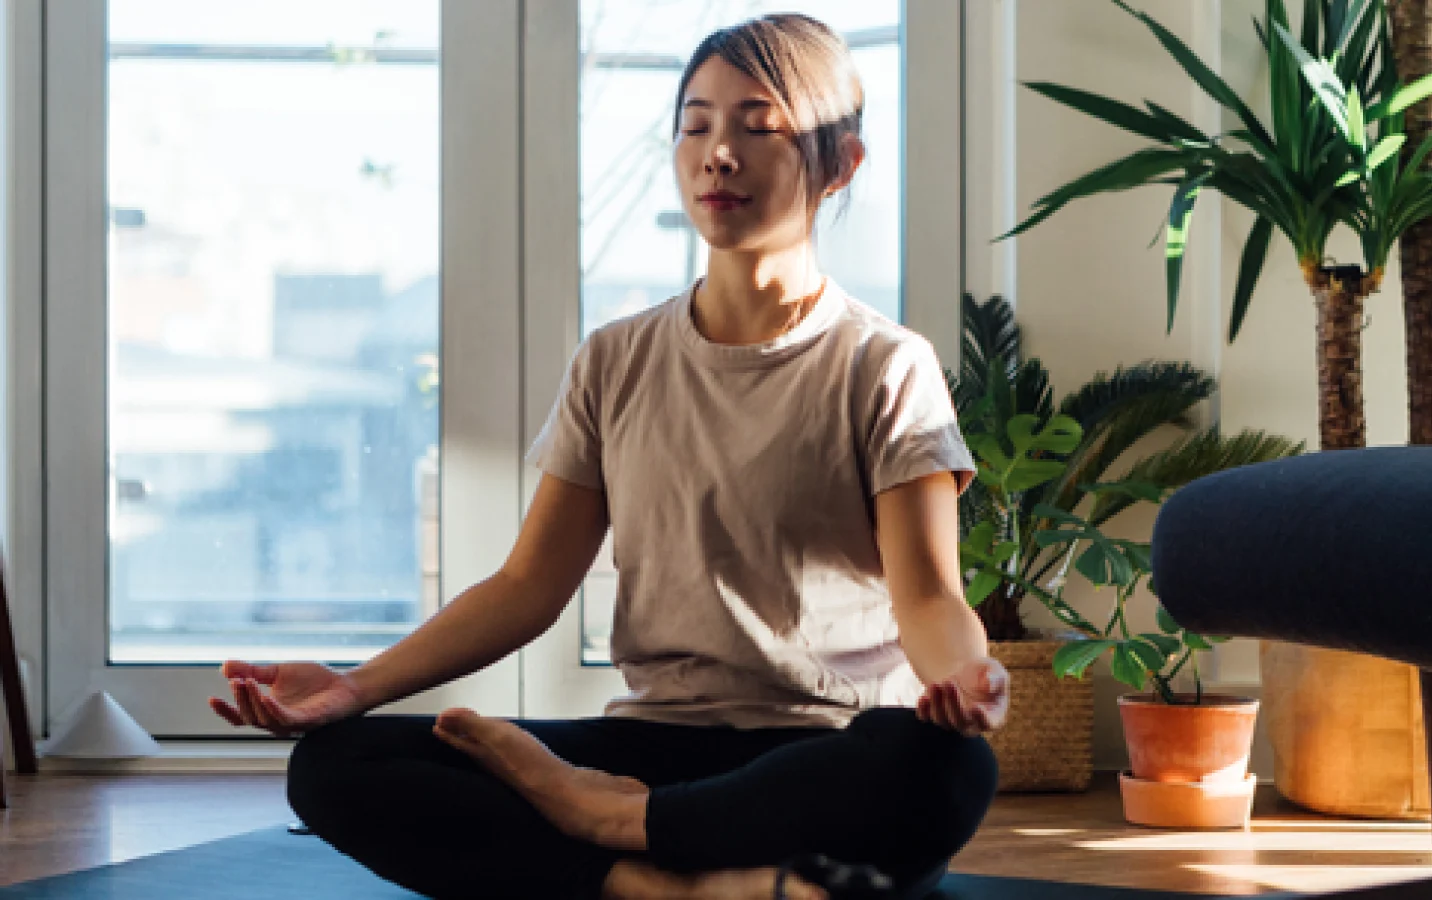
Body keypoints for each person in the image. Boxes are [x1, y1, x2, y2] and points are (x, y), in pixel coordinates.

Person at [209, 13, 1009, 900]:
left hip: (819, 748)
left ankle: (612, 831)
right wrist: (351, 690)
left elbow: (929, 597)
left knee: (942, 770)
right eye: (696, 125)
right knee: (335, 766)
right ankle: (660, 884)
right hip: (654, 745)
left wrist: (968, 679)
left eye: (757, 125)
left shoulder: (883, 365)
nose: (719, 154)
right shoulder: (616, 359)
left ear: (840, 163)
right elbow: (526, 588)